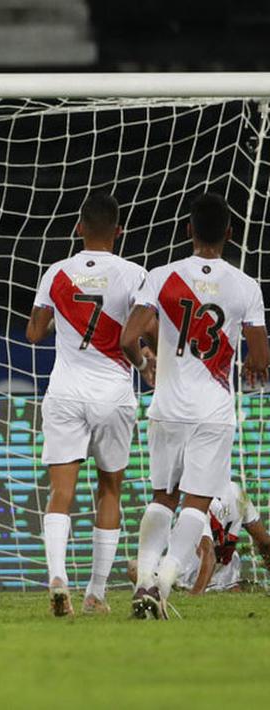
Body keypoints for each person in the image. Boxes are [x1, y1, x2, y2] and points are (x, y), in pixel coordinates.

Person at [120, 192, 270, 620]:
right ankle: (163, 585)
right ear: (229, 233)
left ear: (188, 230)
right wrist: (250, 368)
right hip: (213, 411)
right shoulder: (246, 286)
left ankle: (145, 579)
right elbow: (260, 358)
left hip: (167, 406)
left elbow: (130, 338)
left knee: (161, 498)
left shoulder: (162, 276)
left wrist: (145, 361)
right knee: (196, 506)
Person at [25, 193, 151, 616]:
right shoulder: (135, 274)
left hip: (65, 392)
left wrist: (61, 310)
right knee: (109, 488)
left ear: (78, 227)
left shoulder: (57, 273)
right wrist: (144, 361)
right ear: (119, 231)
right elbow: (139, 332)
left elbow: (34, 333)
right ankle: (96, 592)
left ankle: (57, 576)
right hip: (113, 394)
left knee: (62, 491)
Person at [124, 479, 270, 594]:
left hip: (191, 575)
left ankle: (176, 586)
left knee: (134, 567)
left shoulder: (197, 502)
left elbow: (208, 555)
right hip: (228, 574)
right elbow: (264, 541)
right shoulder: (237, 492)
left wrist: (196, 594)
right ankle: (225, 586)